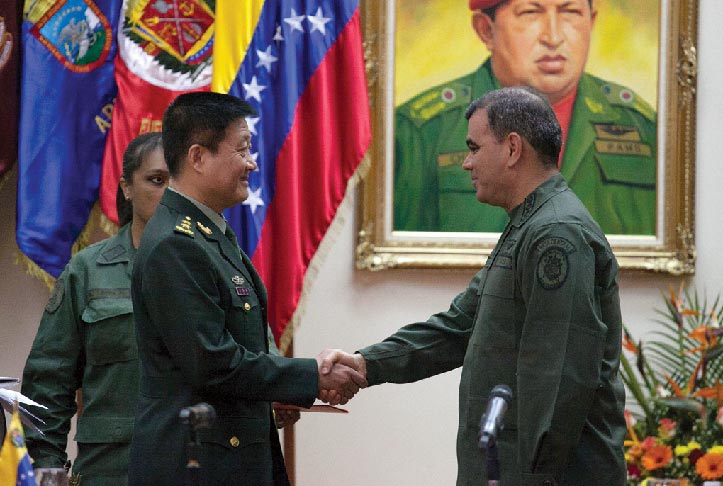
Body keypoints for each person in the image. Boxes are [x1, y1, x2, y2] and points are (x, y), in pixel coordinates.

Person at [322, 87, 627, 485]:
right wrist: (367, 364)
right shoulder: (530, 225)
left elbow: (559, 381)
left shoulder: (557, 234)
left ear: (513, 148)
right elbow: (459, 326)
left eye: (474, 147)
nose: (466, 163)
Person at [128, 91, 366, 486]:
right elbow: (213, 363)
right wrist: (312, 376)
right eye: (242, 150)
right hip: (196, 464)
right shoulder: (176, 243)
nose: (253, 163)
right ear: (198, 157)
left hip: (230, 457)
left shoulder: (206, 232)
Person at [394, 0, 656, 235]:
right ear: (486, 30)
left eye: (570, 12)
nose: (553, 37)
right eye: (531, 12)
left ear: (591, 21)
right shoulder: (422, 133)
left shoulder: (640, 126)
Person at [20, 132, 169, 485]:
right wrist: (48, 467)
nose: (168, 193)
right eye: (156, 180)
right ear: (127, 188)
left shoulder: (215, 266)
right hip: (111, 469)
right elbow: (48, 379)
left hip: (197, 465)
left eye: (177, 181)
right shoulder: (87, 271)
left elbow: (256, 357)